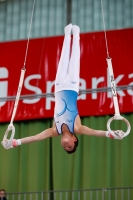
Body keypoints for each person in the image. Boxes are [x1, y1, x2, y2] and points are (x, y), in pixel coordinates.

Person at [1, 24, 124, 154]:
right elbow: (94, 132)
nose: (66, 145)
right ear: (74, 139)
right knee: (74, 60)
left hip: (58, 88)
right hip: (72, 87)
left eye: (65, 148)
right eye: (70, 146)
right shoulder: (77, 128)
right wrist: (111, 134)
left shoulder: (55, 130)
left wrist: (15, 142)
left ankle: (67, 34)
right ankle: (76, 34)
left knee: (63, 60)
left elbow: (34, 138)